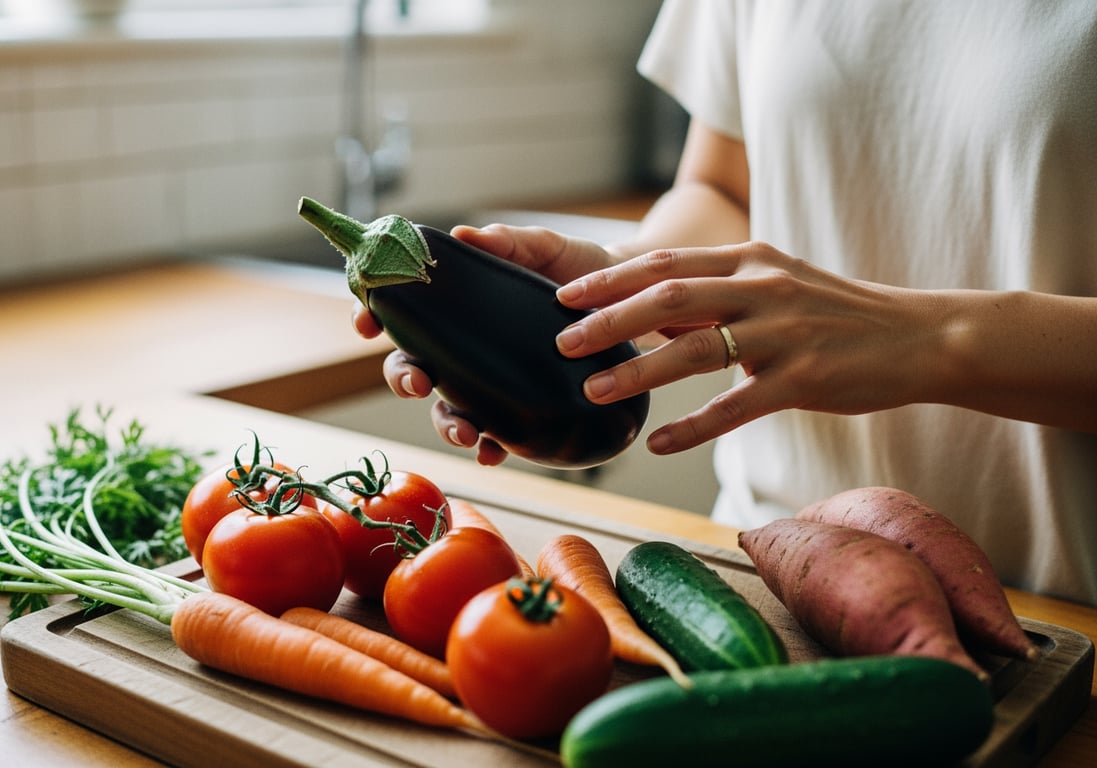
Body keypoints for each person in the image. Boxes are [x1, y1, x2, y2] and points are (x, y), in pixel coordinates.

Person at [353, 0, 1097, 606]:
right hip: (762, 571)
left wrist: (926, 339)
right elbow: (724, 189)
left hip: (1061, 607)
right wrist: (628, 282)